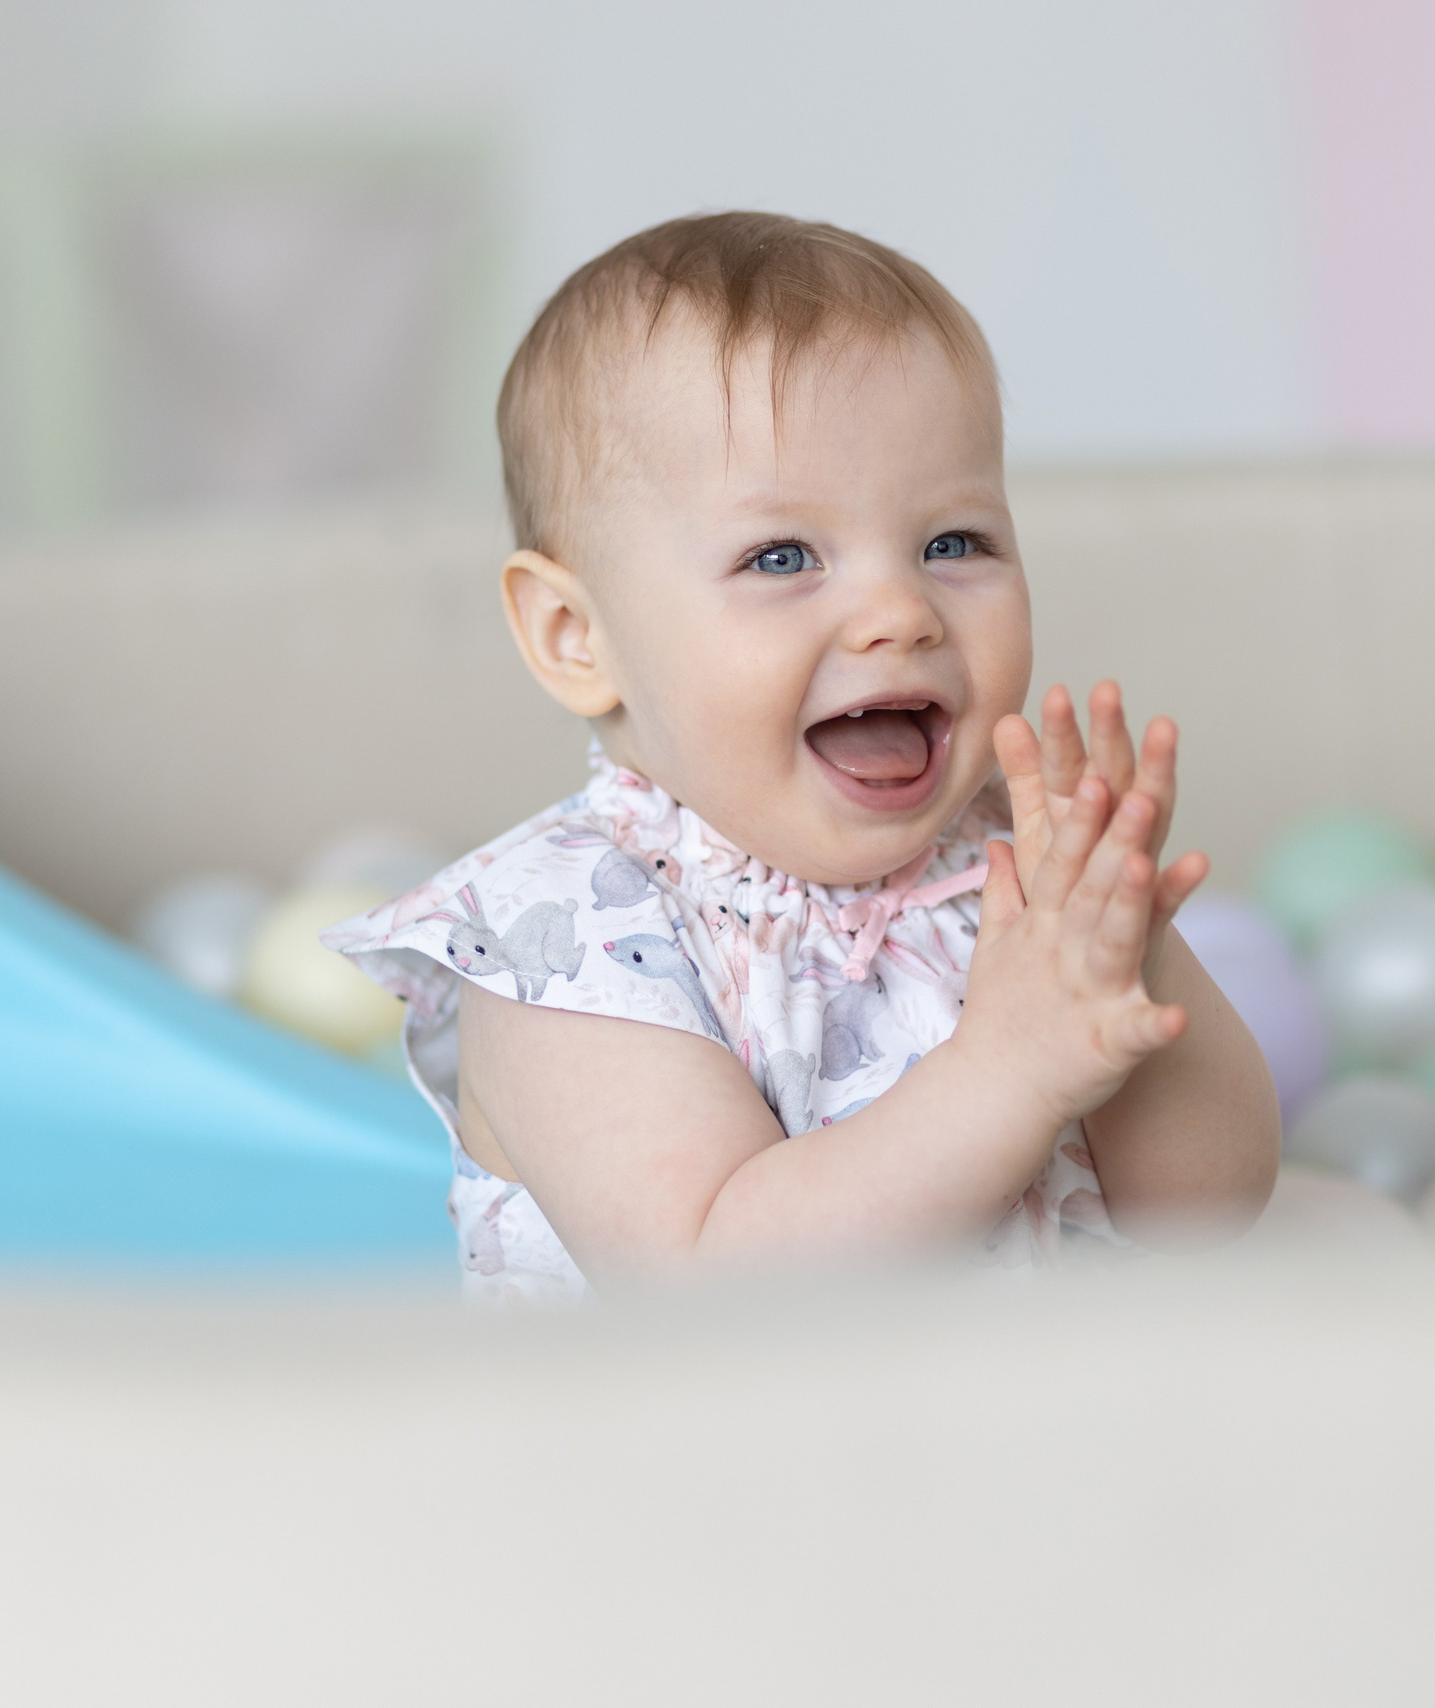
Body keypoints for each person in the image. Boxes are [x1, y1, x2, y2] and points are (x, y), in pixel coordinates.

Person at [326, 212, 1278, 1300]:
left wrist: (1121, 971)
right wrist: (1011, 1067)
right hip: (739, 1420)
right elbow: (721, 1292)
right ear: (576, 637)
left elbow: (1204, 1215)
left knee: (1339, 1241)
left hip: (1048, 1403)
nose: (900, 610)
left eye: (952, 543)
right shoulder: (559, 944)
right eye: (782, 557)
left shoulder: (1015, 871)